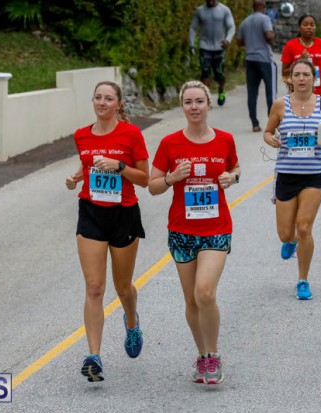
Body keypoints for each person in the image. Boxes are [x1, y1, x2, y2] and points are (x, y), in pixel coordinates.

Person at [148, 80, 240, 385]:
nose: (194, 107)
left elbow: (236, 168)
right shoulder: (170, 144)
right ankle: (202, 355)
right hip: (182, 231)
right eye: (188, 102)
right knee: (191, 300)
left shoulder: (224, 140)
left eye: (199, 101)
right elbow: (153, 186)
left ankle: (213, 355)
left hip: (216, 229)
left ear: (209, 104)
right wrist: (172, 177)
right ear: (182, 106)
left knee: (205, 292)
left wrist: (232, 178)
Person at [65, 81, 149, 382]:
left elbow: (144, 179)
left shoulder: (131, 134)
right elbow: (88, 163)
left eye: (108, 98)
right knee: (94, 287)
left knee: (123, 287)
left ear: (118, 104)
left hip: (123, 214)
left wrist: (119, 166)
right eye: (98, 97)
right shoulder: (81, 135)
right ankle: (94, 356)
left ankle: (132, 322)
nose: (102, 102)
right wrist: (76, 177)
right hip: (91, 212)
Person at [263, 59, 321, 300]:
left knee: (305, 227)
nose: (301, 78)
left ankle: (302, 280)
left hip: (314, 174)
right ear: (290, 79)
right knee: (286, 233)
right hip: (286, 174)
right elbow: (268, 131)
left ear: (314, 79)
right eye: (297, 74)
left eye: (306, 74)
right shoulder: (280, 105)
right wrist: (270, 139)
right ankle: (291, 241)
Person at [237, 0, 277, 133]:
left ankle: (254, 124)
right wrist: (272, 40)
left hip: (250, 59)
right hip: (265, 59)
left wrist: (251, 42)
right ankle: (272, 124)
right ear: (263, 6)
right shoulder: (265, 19)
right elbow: (268, 35)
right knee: (270, 92)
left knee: (252, 93)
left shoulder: (245, 22)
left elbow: (239, 42)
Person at [189, 0, 236, 106]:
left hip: (219, 47)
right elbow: (193, 28)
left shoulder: (224, 10)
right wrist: (191, 44)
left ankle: (221, 89)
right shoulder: (200, 10)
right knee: (205, 72)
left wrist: (228, 40)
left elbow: (231, 27)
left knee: (219, 74)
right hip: (204, 46)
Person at [282, 14, 321, 99]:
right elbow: (284, 72)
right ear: (299, 27)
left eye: (312, 25)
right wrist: (300, 61)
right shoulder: (290, 45)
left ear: (315, 27)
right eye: (305, 25)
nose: (309, 27)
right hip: (299, 92)